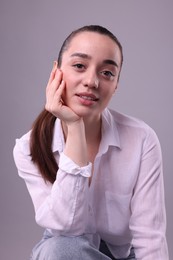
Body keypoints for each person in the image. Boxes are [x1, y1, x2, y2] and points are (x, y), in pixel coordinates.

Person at [13, 25, 169, 260]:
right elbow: (66, 229)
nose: (91, 81)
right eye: (79, 66)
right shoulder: (28, 148)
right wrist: (75, 128)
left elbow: (150, 236)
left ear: (116, 85)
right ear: (55, 72)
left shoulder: (142, 139)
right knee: (59, 249)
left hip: (125, 255)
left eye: (107, 73)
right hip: (65, 252)